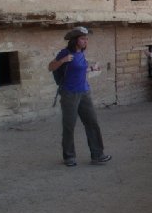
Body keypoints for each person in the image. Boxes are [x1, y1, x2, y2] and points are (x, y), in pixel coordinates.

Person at [48, 26, 111, 167]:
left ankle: (97, 155)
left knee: (92, 123)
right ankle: (69, 156)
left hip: (84, 92)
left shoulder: (81, 54)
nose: (86, 41)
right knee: (69, 125)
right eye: (83, 39)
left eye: (86, 39)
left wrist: (92, 69)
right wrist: (62, 60)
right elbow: (51, 67)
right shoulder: (65, 53)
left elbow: (78, 70)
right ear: (75, 40)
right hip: (70, 93)